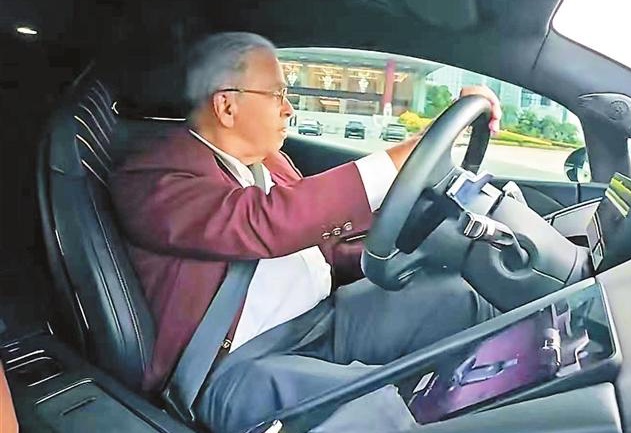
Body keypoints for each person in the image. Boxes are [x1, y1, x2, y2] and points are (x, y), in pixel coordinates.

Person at [110, 32, 503, 433]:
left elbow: (321, 244)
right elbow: (264, 222)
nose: (289, 109)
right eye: (277, 94)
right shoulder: (153, 178)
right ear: (227, 105)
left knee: (456, 300)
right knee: (374, 407)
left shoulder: (271, 163)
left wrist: (413, 251)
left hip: (320, 320)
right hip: (235, 368)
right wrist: (405, 154)